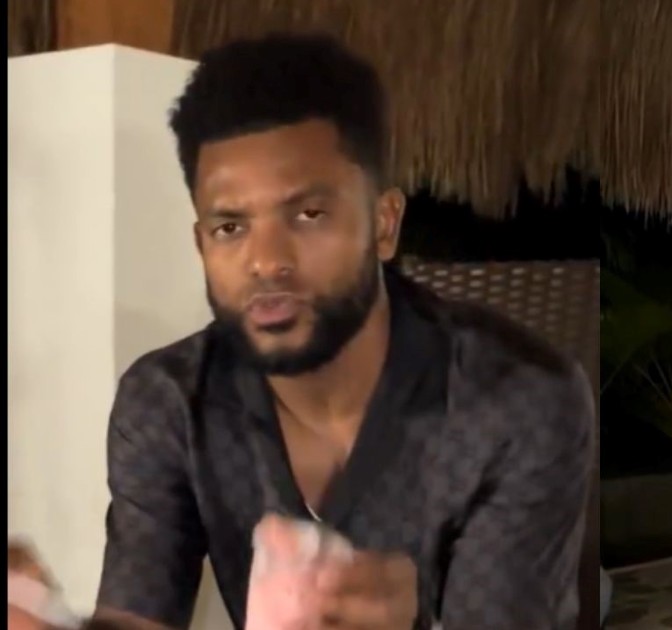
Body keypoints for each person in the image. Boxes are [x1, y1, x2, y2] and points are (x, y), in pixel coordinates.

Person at [11, 33, 593, 630]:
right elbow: (139, 616)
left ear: (384, 224)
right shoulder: (170, 402)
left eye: (309, 214)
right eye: (231, 227)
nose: (266, 261)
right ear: (201, 244)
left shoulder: (516, 399)